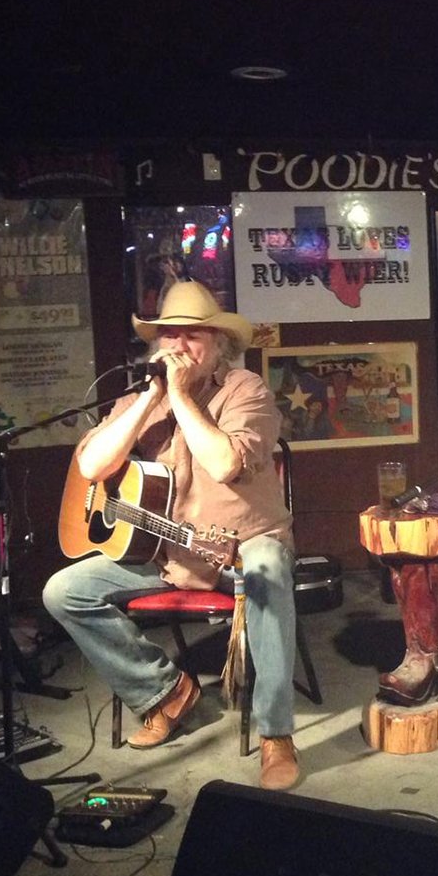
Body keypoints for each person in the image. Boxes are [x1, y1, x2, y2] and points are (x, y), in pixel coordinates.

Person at [43, 280, 303, 791]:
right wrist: (149, 401)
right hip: (164, 551)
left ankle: (276, 734)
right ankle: (165, 692)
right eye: (168, 336)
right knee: (64, 592)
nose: (178, 347)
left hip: (243, 542)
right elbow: (93, 463)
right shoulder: (142, 397)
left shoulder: (245, 390)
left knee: (269, 570)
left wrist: (181, 397)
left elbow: (225, 463)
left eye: (192, 337)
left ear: (219, 346)